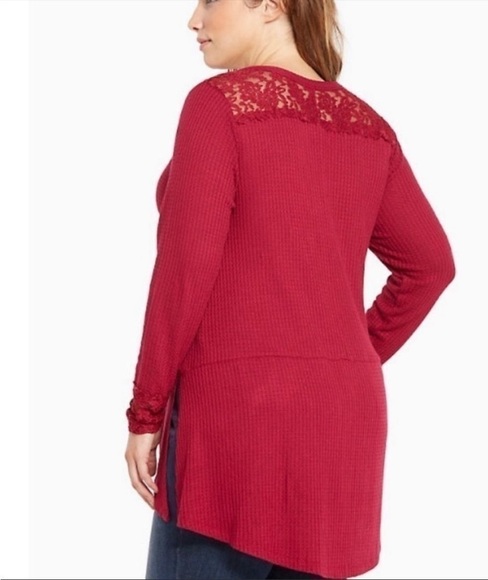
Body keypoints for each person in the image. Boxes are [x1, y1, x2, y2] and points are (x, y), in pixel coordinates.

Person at [124, 0, 456, 578]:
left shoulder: (219, 106)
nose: (194, 20)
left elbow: (184, 272)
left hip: (235, 424)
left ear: (272, 6)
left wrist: (145, 411)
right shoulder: (368, 128)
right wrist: (341, 359)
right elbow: (430, 265)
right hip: (341, 426)